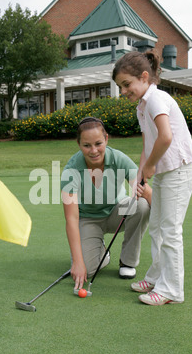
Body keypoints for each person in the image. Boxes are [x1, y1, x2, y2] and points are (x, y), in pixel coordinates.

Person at [113, 50, 192, 305]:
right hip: (164, 172)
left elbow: (165, 137)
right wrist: (141, 173)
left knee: (170, 231)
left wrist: (149, 167)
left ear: (145, 77)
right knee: (157, 230)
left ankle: (172, 290)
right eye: (120, 87)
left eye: (127, 84)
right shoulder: (142, 106)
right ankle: (156, 278)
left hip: (178, 171)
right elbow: (147, 144)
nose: (124, 91)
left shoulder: (156, 99)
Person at [61, 117, 151, 291]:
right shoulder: (71, 170)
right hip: (88, 220)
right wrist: (78, 263)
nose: (93, 150)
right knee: (86, 270)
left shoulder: (118, 158)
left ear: (106, 139)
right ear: (78, 144)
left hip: (117, 213)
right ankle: (103, 253)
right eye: (87, 145)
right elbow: (71, 219)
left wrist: (167, 222)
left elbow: (145, 191)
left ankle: (127, 261)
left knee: (141, 205)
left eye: (98, 143)